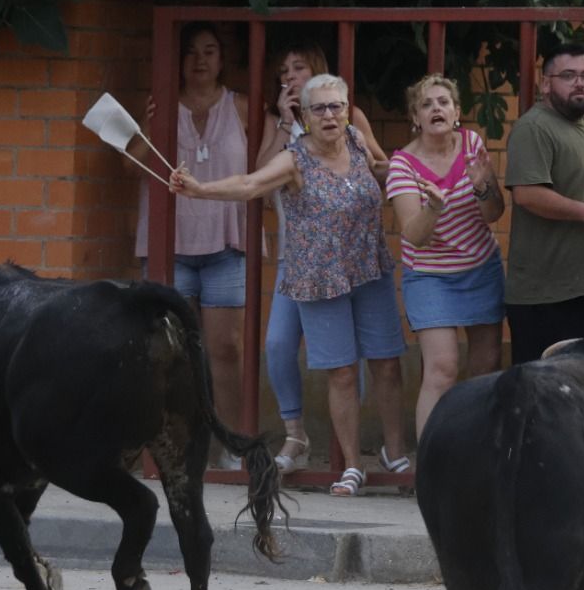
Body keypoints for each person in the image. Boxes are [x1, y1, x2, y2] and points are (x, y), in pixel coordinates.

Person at [171, 74, 410, 498]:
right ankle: (353, 465)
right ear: (304, 115)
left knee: (388, 362)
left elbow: (383, 168)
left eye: (336, 105)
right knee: (340, 371)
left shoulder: (356, 137)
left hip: (368, 266)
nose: (330, 115)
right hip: (319, 277)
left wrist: (420, 171)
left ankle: (396, 456)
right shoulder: (294, 159)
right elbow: (250, 184)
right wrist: (199, 189)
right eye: (319, 108)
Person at [251, 43, 388, 475]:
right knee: (276, 344)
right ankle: (296, 435)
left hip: (346, 257)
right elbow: (259, 180)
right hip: (299, 257)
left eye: (298, 67)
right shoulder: (283, 122)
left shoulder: (346, 117)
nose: (288, 76)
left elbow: (380, 164)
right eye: (283, 71)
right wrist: (284, 122)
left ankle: (344, 452)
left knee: (348, 360)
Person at [130, 22, 251, 469]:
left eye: (211, 51)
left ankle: (232, 447)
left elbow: (281, 154)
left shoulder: (241, 107)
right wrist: (145, 127)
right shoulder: (160, 105)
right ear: (178, 59)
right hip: (169, 245)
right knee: (167, 353)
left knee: (225, 350)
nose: (201, 60)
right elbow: (130, 167)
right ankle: (171, 447)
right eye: (192, 52)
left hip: (225, 243)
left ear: (223, 59)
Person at [385, 75, 506, 436]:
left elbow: (494, 214)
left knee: (486, 367)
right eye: (426, 104)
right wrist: (434, 208)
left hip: (481, 268)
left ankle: (480, 459)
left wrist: (484, 184)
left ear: (456, 113)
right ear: (415, 117)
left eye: (443, 102)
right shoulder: (403, 164)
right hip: (430, 276)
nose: (436, 108)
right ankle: (431, 473)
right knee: (442, 369)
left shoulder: (472, 144)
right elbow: (414, 235)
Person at [504, 42, 584, 364]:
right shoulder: (534, 127)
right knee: (543, 396)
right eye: (568, 76)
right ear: (545, 83)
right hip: (547, 295)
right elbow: (526, 193)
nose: (580, 83)